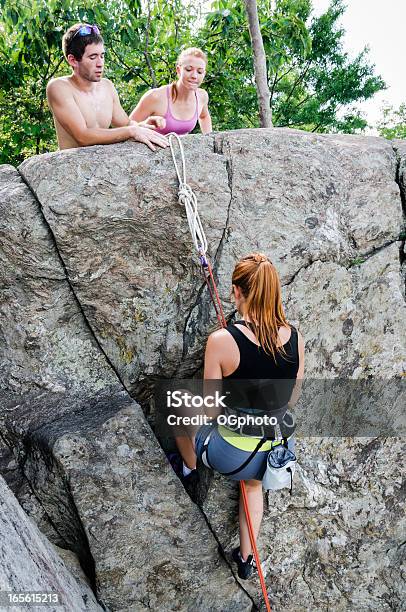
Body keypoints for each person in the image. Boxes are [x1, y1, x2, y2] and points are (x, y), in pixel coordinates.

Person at [175, 253, 304, 579]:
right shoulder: (295, 337)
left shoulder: (222, 341)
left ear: (236, 292)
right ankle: (247, 559)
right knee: (251, 487)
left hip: (232, 454)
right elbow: (293, 397)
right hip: (273, 453)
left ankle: (190, 470)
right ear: (274, 291)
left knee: (177, 405)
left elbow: (211, 409)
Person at [47, 24, 168, 151]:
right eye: (93, 57)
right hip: (72, 166)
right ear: (72, 60)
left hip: (102, 164)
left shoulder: (107, 86)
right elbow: (83, 136)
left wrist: (143, 126)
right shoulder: (59, 87)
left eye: (102, 56)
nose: (100, 64)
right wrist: (132, 131)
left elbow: (126, 124)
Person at [129, 48, 212, 135]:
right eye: (188, 69)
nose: (194, 76)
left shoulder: (202, 96)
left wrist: (209, 139)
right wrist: (143, 126)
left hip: (183, 147)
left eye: (200, 72)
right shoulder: (155, 97)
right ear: (178, 70)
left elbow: (204, 116)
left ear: (204, 74)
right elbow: (127, 127)